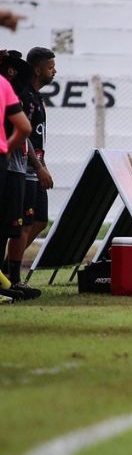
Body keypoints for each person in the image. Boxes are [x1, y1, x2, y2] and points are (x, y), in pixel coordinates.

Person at [5, 47, 55, 295]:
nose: (54, 71)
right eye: (50, 67)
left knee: (39, 220)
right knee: (20, 224)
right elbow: (23, 135)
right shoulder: (23, 96)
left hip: (33, 169)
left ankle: (7, 269)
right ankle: (12, 278)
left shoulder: (35, 97)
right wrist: (38, 165)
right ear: (37, 69)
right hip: (23, 169)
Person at [0, 50, 41, 300]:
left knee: (9, 228)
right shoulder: (8, 89)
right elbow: (24, 128)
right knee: (7, 228)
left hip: (12, 166)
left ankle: (6, 281)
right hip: (10, 166)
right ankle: (7, 282)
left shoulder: (13, 90)